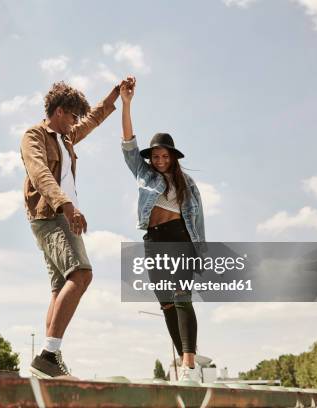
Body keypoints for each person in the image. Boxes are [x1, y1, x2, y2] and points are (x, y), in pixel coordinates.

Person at [21, 80, 125, 378]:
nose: (75, 124)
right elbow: (39, 172)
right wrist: (66, 205)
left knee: (60, 287)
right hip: (51, 214)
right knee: (81, 273)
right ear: (60, 111)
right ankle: (48, 355)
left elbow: (93, 118)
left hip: (64, 217)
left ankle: (49, 359)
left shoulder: (67, 138)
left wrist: (115, 94)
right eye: (72, 118)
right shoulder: (35, 135)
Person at [119, 77, 206, 382]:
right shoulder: (143, 174)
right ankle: (183, 364)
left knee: (182, 297)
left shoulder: (187, 185)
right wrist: (126, 103)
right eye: (155, 156)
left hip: (178, 237)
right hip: (152, 240)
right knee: (166, 302)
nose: (159, 160)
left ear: (172, 157)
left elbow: (198, 222)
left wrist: (200, 254)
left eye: (164, 156)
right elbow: (129, 144)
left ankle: (190, 366)